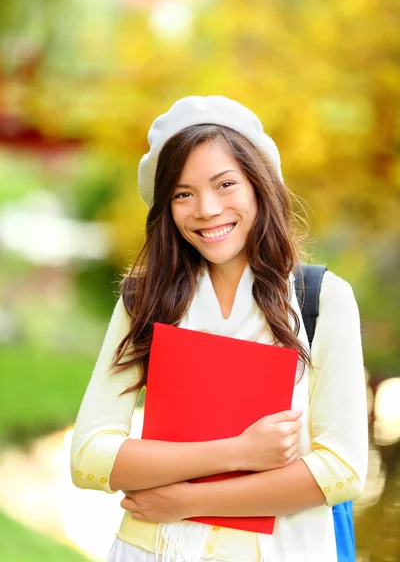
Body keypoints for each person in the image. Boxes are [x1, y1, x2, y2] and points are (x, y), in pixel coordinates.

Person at [70, 95, 369, 562]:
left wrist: (189, 501)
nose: (207, 209)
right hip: (150, 551)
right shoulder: (144, 300)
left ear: (259, 186)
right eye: (183, 194)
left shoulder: (320, 300)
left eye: (225, 184)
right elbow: (89, 458)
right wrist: (238, 452)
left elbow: (341, 470)